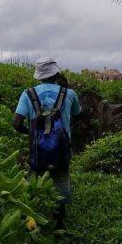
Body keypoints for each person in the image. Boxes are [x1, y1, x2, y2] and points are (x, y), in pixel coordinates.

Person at [13, 58, 82, 228]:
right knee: (61, 179)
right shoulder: (69, 94)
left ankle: (32, 220)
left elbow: (16, 123)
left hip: (37, 150)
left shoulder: (27, 94)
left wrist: (30, 134)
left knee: (33, 180)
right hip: (62, 149)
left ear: (39, 76)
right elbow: (78, 114)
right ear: (57, 73)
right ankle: (59, 221)